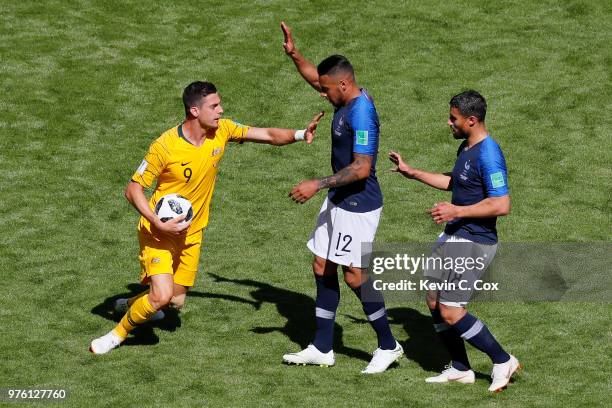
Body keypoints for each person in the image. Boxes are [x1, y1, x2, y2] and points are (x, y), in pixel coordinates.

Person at [90, 81, 324, 354]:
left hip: (192, 232)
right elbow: (132, 189)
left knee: (174, 302)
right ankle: (116, 335)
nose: (221, 110)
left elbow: (268, 135)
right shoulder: (165, 146)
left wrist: (299, 133)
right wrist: (155, 220)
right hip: (159, 231)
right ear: (194, 111)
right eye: (214, 106)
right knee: (162, 296)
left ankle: (131, 304)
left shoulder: (221, 131)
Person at [280, 22, 403, 374]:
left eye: (328, 89)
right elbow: (316, 79)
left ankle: (388, 345)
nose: (323, 94)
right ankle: (322, 347)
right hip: (339, 198)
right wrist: (295, 55)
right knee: (321, 264)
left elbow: (362, 168)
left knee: (354, 275)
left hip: (359, 203)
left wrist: (316, 184)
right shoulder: (343, 95)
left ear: (344, 85)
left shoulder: (361, 112)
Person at [388, 90, 521, 392]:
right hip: (454, 235)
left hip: (474, 240)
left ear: (472, 120)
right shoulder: (467, 147)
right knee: (434, 301)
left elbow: (502, 204)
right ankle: (461, 368)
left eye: (453, 118)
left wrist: (456, 210)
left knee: (450, 309)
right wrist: (413, 173)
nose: (448, 123)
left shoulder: (489, 154)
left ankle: (503, 360)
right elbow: (455, 181)